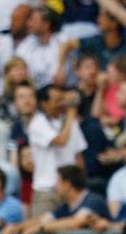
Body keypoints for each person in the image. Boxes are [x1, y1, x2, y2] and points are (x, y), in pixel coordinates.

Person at [5, 164, 110, 234]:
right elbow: (44, 219)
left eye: (58, 182)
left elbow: (76, 222)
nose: (55, 186)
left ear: (67, 184)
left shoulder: (92, 200)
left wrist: (39, 229)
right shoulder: (66, 207)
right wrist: (18, 227)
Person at [27, 85, 87, 216]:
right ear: (44, 104)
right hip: (47, 190)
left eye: (62, 99)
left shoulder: (71, 122)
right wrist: (71, 114)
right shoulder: (37, 123)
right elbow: (61, 141)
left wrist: (82, 183)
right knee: (41, 233)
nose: (62, 104)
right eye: (57, 100)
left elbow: (78, 154)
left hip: (70, 188)